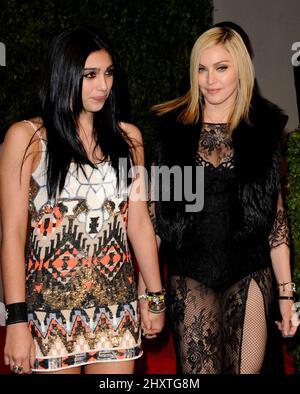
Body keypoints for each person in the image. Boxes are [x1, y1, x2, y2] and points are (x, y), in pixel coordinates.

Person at [0, 25, 165, 374]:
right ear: (65, 75)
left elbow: (138, 222)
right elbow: (12, 233)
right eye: (90, 75)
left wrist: (155, 296)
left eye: (107, 74)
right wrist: (15, 319)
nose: (103, 85)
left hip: (116, 311)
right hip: (45, 314)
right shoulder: (26, 138)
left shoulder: (128, 138)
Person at [149, 26, 298, 374]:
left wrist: (287, 295)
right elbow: (157, 221)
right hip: (191, 273)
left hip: (250, 272)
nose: (210, 80)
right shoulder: (173, 132)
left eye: (221, 67)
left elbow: (275, 220)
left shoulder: (263, 130)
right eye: (201, 69)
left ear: (241, 69)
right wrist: (149, 294)